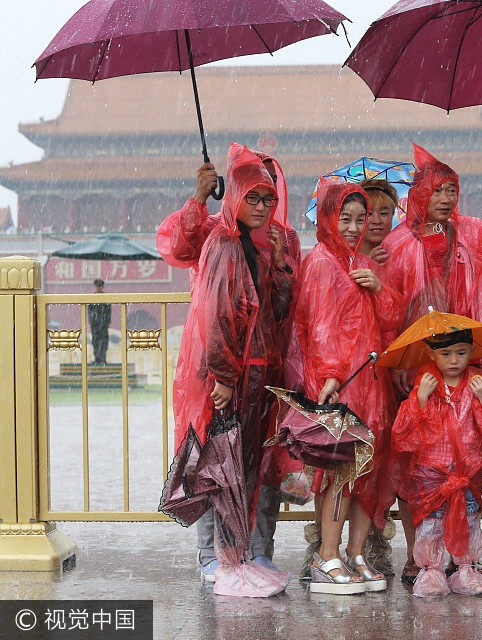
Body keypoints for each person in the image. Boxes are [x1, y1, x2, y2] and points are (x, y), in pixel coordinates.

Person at [381, 144, 482, 583]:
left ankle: (463, 552)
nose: (446, 199)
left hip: (465, 363)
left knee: (468, 458)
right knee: (416, 464)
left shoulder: (469, 232)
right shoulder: (397, 244)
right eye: (437, 190)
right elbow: (387, 308)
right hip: (416, 367)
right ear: (419, 194)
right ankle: (421, 553)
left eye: (452, 190)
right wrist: (396, 366)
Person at [157, 149, 301, 579]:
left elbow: (280, 310)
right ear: (234, 192)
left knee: (257, 462)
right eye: (252, 194)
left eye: (269, 195)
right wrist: (199, 197)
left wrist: (281, 268)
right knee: (216, 458)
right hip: (223, 368)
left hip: (263, 370)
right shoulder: (220, 238)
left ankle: (254, 551)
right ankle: (213, 555)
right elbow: (217, 310)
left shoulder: (279, 240)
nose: (262, 205)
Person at [297, 180, 403, 594]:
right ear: (328, 219)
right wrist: (330, 376)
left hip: (371, 381)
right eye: (346, 219)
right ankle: (327, 556)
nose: (355, 227)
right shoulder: (322, 262)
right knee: (340, 472)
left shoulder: (359, 261)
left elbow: (390, 319)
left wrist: (378, 287)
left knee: (368, 472)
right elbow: (320, 327)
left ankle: (356, 553)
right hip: (342, 384)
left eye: (362, 219)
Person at [391, 327, 482, 597]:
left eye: (461, 352)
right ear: (431, 354)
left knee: (469, 520)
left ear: (472, 351)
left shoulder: (479, 383)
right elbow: (407, 432)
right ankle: (430, 571)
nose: (454, 360)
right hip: (432, 472)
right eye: (445, 354)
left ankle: (466, 569)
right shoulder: (425, 384)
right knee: (431, 523)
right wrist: (421, 398)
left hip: (467, 472)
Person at [87, 278, 111, 365]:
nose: (98, 288)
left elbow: (108, 311)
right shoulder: (92, 297)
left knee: (104, 341)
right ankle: (97, 358)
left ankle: (103, 358)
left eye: (100, 286)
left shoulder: (106, 297)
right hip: (95, 323)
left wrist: (108, 321)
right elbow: (89, 310)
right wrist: (91, 321)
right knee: (95, 341)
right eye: (97, 286)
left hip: (103, 323)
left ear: (102, 287)